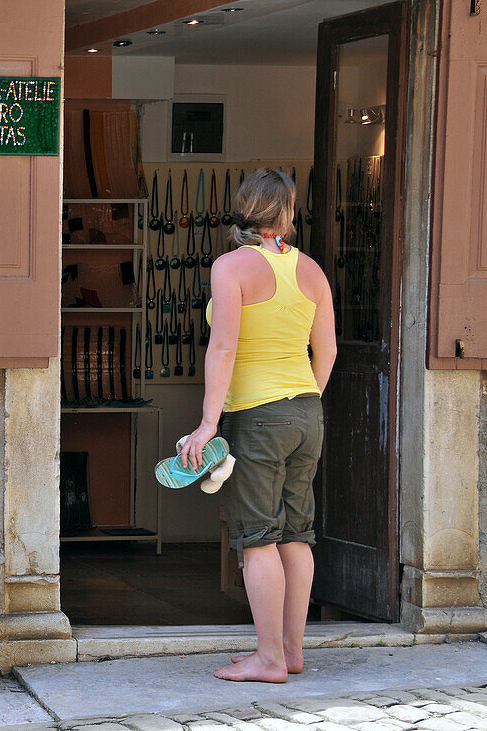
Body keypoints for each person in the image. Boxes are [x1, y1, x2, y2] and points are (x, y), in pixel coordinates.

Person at [181, 168, 337, 682]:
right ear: (288, 214)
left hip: (259, 416)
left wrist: (208, 424)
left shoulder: (232, 267)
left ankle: (269, 660)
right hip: (306, 410)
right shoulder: (312, 270)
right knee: (297, 535)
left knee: (258, 539)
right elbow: (328, 351)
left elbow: (223, 346)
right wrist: (304, 399)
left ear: (245, 209)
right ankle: (291, 652)